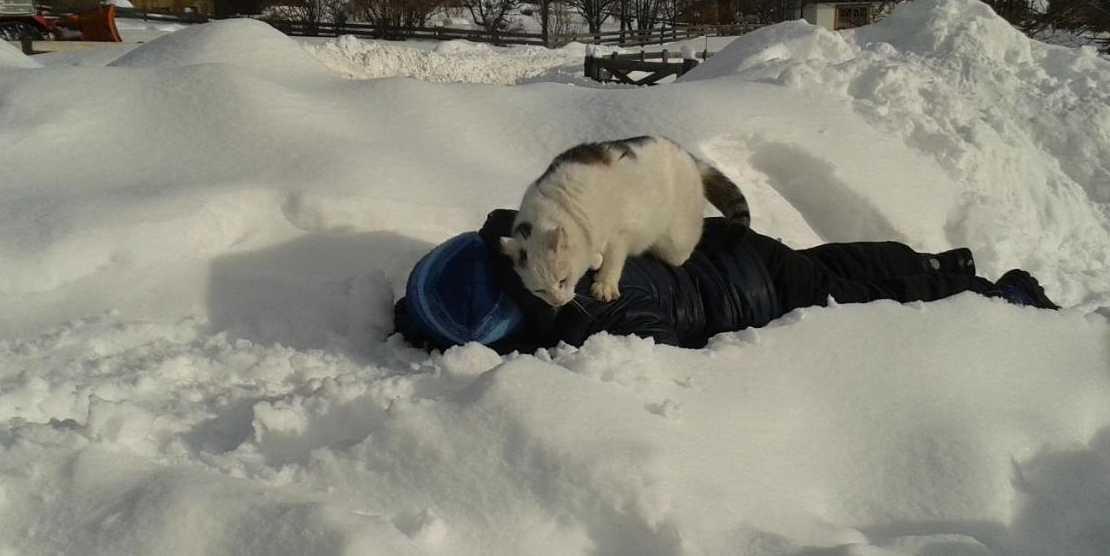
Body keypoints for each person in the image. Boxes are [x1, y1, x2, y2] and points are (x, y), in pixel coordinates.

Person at [394, 209, 1059, 353]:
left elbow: (674, 359)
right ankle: (942, 264)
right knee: (836, 261)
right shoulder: (539, 237)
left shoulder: (595, 318)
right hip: (727, 248)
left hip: (757, 296)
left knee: (871, 298)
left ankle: (995, 295)